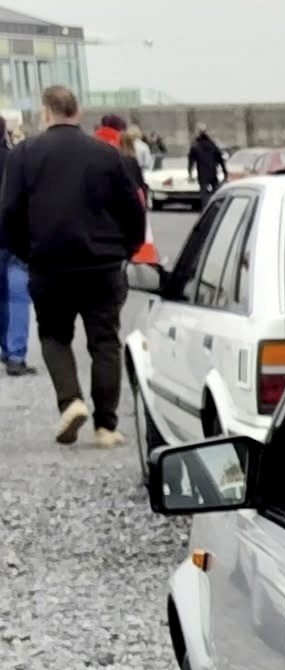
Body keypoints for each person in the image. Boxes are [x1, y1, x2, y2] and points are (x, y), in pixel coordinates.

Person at [0, 85, 146, 445]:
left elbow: (10, 211)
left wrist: (26, 251)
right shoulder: (107, 154)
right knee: (105, 342)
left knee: (54, 336)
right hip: (102, 263)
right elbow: (132, 209)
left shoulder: (25, 154)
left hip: (49, 264)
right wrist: (126, 248)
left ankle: (71, 401)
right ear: (76, 111)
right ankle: (106, 426)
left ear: (46, 112)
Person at [0, 122, 31, 376]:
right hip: (14, 238)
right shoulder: (15, 161)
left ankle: (5, 346)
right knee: (18, 297)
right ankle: (15, 354)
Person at [189, 124, 227, 197]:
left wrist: (190, 173)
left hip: (202, 174)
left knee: (204, 194)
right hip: (213, 172)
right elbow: (220, 159)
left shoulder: (195, 146)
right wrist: (225, 171)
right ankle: (215, 206)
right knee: (216, 193)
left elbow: (191, 161)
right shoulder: (212, 144)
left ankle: (206, 206)